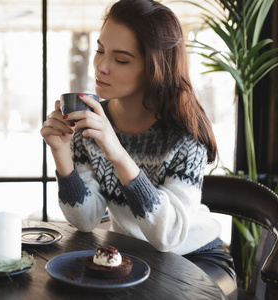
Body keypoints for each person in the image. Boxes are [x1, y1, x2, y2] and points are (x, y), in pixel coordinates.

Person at [40, 0, 237, 298]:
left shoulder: (185, 132)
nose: (101, 66)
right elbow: (86, 219)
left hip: (196, 258)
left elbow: (168, 236)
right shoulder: (92, 121)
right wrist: (61, 151)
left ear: (154, 67)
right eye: (99, 50)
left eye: (121, 59)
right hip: (133, 255)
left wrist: (117, 151)